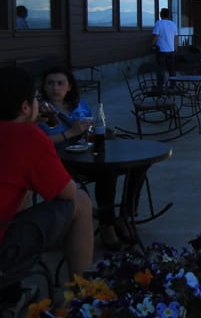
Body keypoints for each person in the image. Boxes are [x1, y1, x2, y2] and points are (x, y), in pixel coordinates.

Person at [0, 66, 93, 291]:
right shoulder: (28, 137)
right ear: (25, 107)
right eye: (35, 99)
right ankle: (84, 293)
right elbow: (67, 193)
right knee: (80, 201)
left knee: (23, 188)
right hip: (4, 246)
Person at [37, 66, 142, 250]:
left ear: (69, 86)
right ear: (44, 86)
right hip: (61, 162)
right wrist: (71, 132)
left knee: (138, 163)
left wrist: (102, 132)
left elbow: (90, 130)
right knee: (107, 170)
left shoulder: (80, 105)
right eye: (50, 83)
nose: (55, 88)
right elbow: (38, 142)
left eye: (60, 83)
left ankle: (125, 215)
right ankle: (107, 224)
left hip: (87, 155)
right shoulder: (40, 112)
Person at [151, 7, 178, 89]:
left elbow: (156, 36)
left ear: (160, 15)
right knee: (171, 69)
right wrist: (175, 47)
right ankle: (173, 85)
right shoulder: (173, 24)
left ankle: (160, 85)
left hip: (161, 49)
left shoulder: (158, 23)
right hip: (171, 49)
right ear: (169, 15)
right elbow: (176, 37)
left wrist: (151, 44)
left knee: (160, 68)